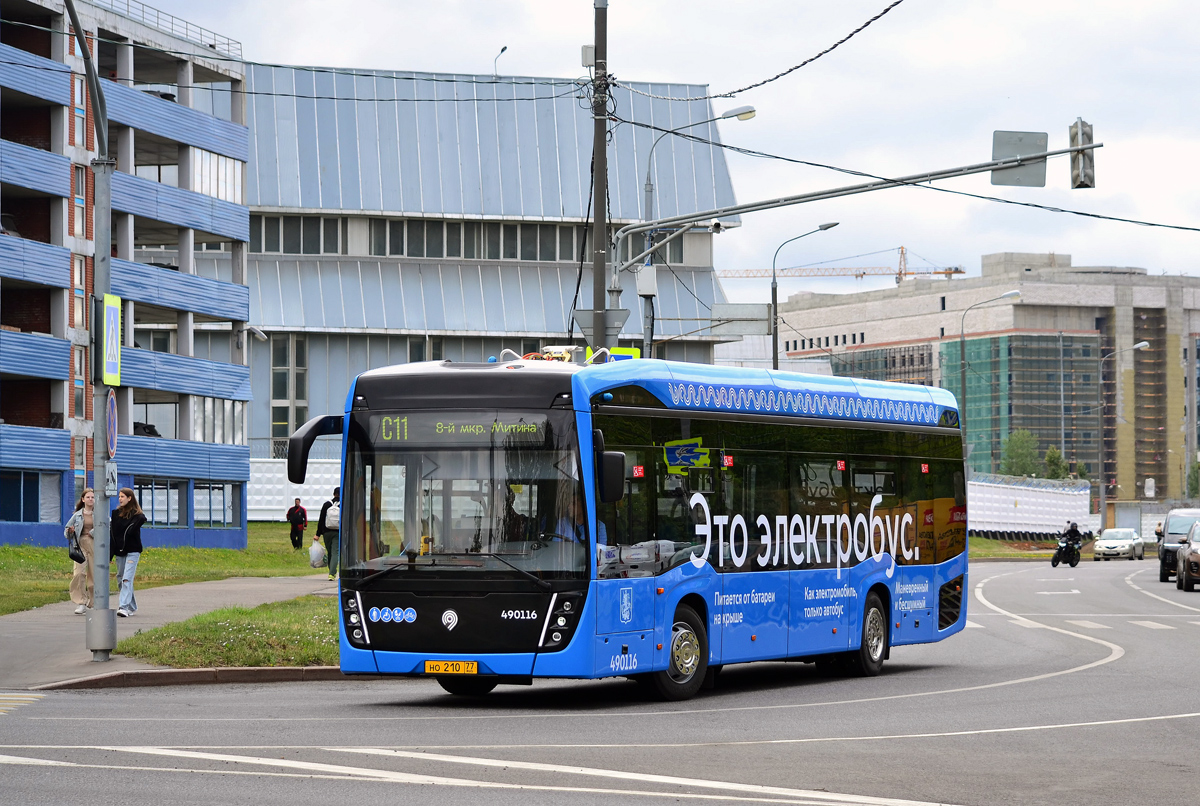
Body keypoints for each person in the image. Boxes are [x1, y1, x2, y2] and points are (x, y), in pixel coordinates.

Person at [110, 487, 147, 618]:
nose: (120, 499)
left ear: (129, 498)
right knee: (120, 579)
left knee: (127, 579)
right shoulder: (115, 514)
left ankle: (123, 607)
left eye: (122, 496)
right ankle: (132, 606)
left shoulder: (138, 516)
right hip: (120, 552)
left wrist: (139, 519)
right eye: (119, 496)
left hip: (133, 551)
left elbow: (131, 531)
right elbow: (113, 535)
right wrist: (110, 554)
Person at [63, 488, 95, 615]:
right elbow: (66, 532)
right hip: (79, 545)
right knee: (79, 573)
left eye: (92, 497)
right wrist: (70, 531)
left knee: (94, 575)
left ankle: (93, 602)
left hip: (94, 544)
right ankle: (81, 602)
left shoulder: (100, 514)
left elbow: (106, 527)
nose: (90, 499)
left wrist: (92, 532)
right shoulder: (77, 515)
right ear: (83, 499)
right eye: (88, 497)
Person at [316, 487, 340, 581]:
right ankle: (332, 573)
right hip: (337, 532)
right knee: (335, 552)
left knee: (330, 551)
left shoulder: (326, 504)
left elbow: (321, 519)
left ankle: (331, 571)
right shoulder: (343, 504)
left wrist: (318, 534)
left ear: (334, 494)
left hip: (326, 532)